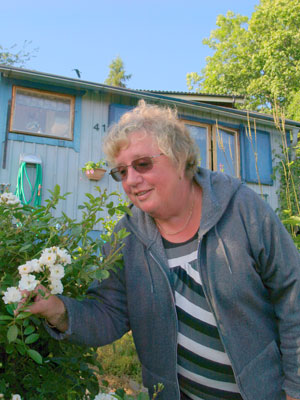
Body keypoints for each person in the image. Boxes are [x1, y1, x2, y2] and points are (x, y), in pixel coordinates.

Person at [22, 100, 300, 400]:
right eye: (121, 172)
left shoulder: (241, 209)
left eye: (142, 164)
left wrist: (295, 389)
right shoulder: (125, 238)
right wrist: (59, 312)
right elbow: (109, 314)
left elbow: (292, 294)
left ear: (179, 157)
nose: (131, 180)